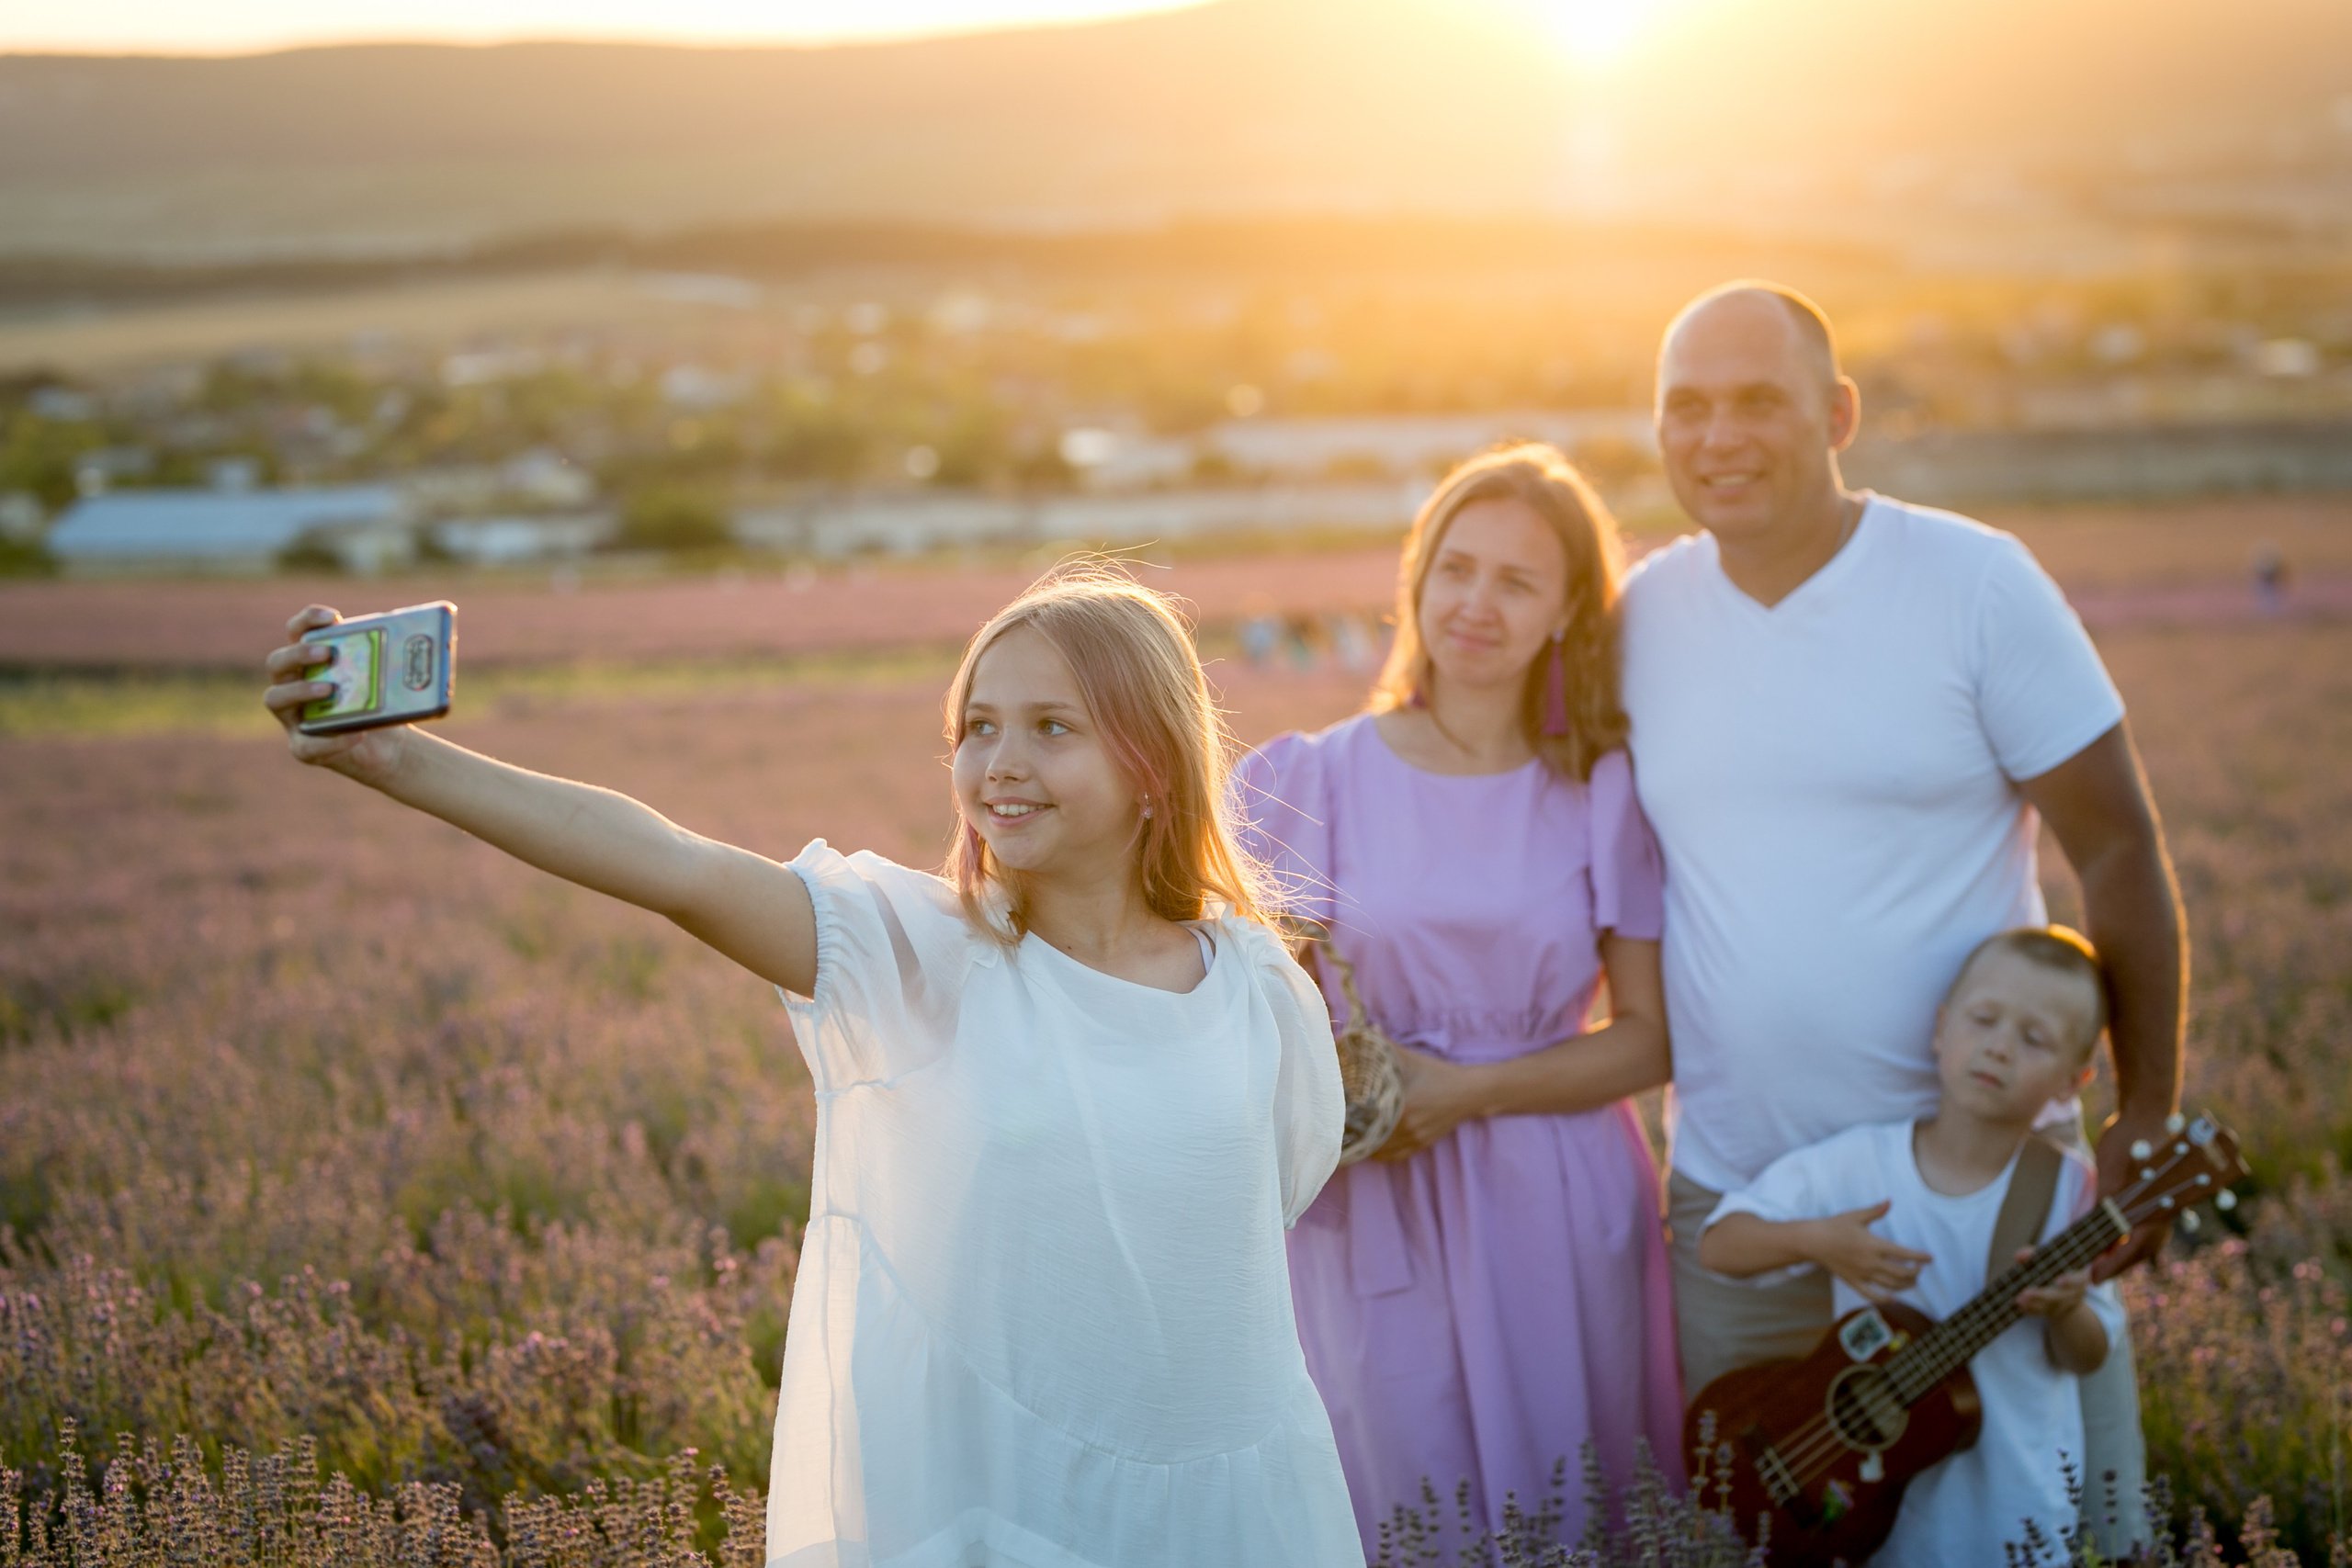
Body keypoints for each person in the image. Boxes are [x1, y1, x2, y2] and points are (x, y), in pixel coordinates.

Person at [260, 568, 1363, 1568]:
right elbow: (673, 866)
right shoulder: (919, 955)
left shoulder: (1253, 984)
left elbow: (1273, 1194)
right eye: (976, 727)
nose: (1000, 763)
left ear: (1153, 763)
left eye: (1052, 727)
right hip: (1003, 1505)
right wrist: (394, 759)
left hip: (1236, 1502)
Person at [1623, 281, 2185, 1554]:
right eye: (1686, 408)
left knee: (2042, 1525)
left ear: (1839, 412)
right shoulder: (1642, 615)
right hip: (1743, 1204)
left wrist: (2145, 1111)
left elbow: (2118, 842)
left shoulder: (1973, 583)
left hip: (1978, 1201)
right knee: (1768, 1531)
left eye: (1758, 401)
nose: (1718, 436)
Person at [1236, 445, 1683, 1553]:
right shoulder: (1307, 778)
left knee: (1567, 1497)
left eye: (1517, 581)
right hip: (1370, 1202)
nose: (1476, 604)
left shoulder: (1602, 791)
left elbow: (1646, 1041)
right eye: (1456, 568)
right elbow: (1242, 1012)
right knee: (1394, 1492)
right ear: (1416, 579)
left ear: (1570, 607)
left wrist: (1467, 1092)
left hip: (1554, 1192)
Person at [1697, 927, 2126, 1565]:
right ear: (1941, 1027)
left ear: (2074, 1080)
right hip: (1867, 1513)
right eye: (1983, 1019)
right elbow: (1720, 1245)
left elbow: (2089, 1353)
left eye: (2033, 1038)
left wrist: (2067, 1309)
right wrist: (1817, 1241)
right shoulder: (1859, 1166)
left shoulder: (2067, 1190)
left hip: (2015, 1510)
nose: (1999, 1047)